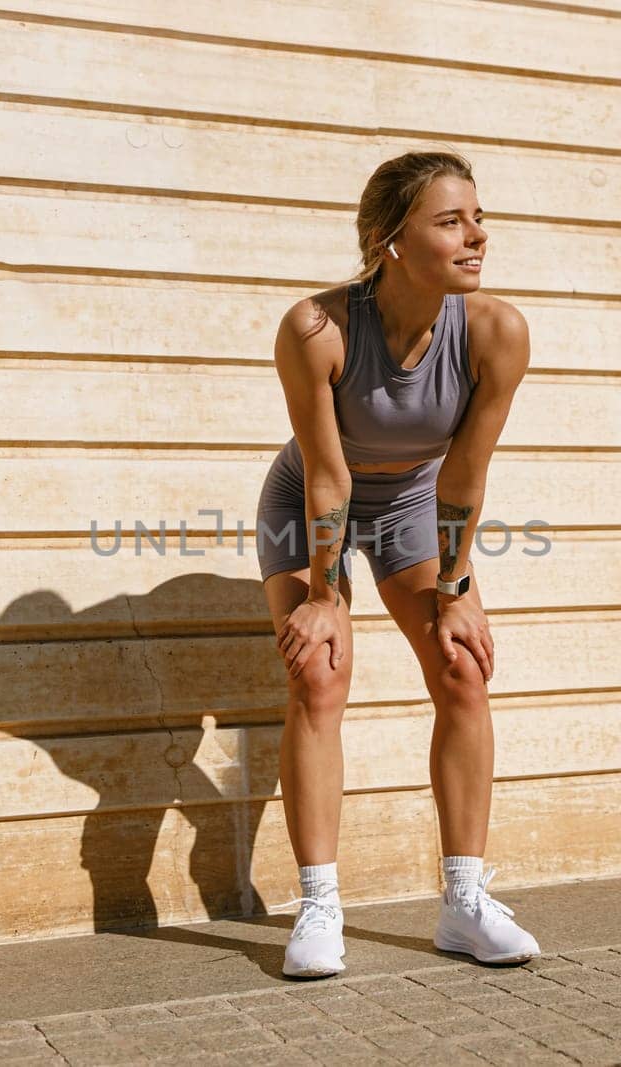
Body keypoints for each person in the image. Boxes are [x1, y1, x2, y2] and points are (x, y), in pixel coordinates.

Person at [255, 150, 539, 978]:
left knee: (462, 668)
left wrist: (454, 590)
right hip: (313, 499)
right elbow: (326, 473)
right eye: (451, 220)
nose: (477, 234)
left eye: (478, 217)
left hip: (417, 504)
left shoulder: (497, 331)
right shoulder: (316, 328)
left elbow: (463, 474)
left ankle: (463, 901)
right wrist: (322, 590)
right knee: (318, 673)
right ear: (390, 241)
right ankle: (318, 905)